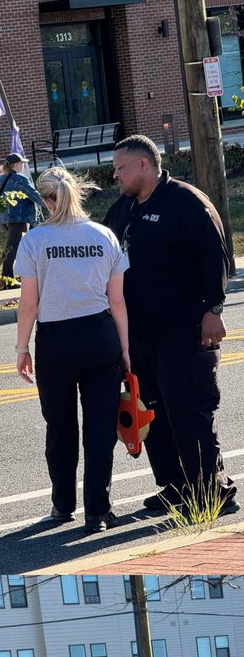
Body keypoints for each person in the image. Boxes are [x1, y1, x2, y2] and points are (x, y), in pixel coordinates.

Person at [103, 134, 236, 517]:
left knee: (189, 409)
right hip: (140, 333)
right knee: (153, 414)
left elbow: (216, 256)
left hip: (185, 330)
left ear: (144, 164)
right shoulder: (123, 210)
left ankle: (212, 491)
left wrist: (214, 308)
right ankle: (176, 488)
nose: (116, 175)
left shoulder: (186, 202)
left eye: (121, 167)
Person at [13, 165, 130, 533]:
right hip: (100, 335)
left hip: (56, 340)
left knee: (60, 426)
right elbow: (118, 303)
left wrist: (22, 348)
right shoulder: (104, 236)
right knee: (99, 428)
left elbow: (28, 304)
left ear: (46, 201)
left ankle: (63, 505)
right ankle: (97, 510)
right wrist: (125, 349)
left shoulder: (34, 241)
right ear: (77, 194)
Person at [0, 152, 44, 282]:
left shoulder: (1, 179)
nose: (24, 166)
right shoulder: (20, 179)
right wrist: (51, 204)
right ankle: (7, 279)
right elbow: (33, 195)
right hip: (20, 217)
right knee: (12, 249)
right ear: (17, 164)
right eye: (22, 163)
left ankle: (22, 274)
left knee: (20, 248)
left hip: (6, 218)